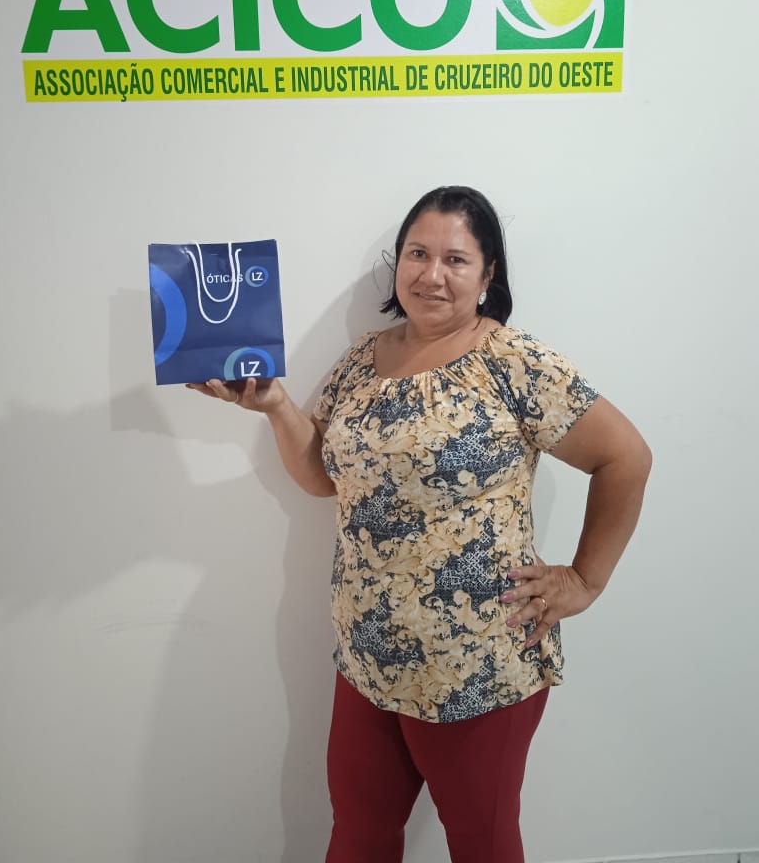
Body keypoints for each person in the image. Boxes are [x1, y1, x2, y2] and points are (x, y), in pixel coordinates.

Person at [187, 186, 652, 863]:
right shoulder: (363, 359)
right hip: (368, 658)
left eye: (456, 259)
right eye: (417, 253)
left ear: (488, 275)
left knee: (481, 846)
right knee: (360, 836)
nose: (432, 274)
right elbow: (322, 477)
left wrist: (585, 580)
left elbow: (626, 457)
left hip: (477, 664)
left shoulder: (514, 364)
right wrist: (278, 407)